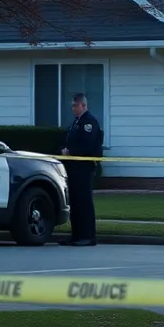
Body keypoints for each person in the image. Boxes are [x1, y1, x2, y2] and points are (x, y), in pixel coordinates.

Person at [60, 93, 102, 246]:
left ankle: (88, 236)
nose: (73, 109)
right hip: (74, 168)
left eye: (75, 106)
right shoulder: (76, 123)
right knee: (75, 202)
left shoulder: (89, 122)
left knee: (84, 202)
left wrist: (70, 152)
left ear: (83, 105)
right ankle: (76, 235)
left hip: (84, 168)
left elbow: (87, 145)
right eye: (72, 106)